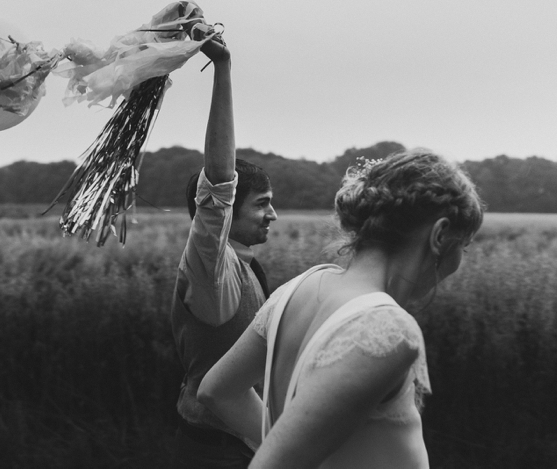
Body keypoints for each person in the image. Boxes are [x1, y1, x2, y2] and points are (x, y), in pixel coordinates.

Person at [198, 150, 484, 468]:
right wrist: (287, 450)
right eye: (464, 245)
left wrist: (298, 443)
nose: (461, 260)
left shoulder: (297, 289)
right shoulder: (387, 328)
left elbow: (217, 392)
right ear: (440, 235)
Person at [170, 29, 278, 468]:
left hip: (245, 446)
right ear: (228, 211)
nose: (273, 216)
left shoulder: (247, 268)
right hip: (214, 453)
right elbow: (218, 181)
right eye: (263, 205)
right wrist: (223, 68)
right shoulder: (211, 268)